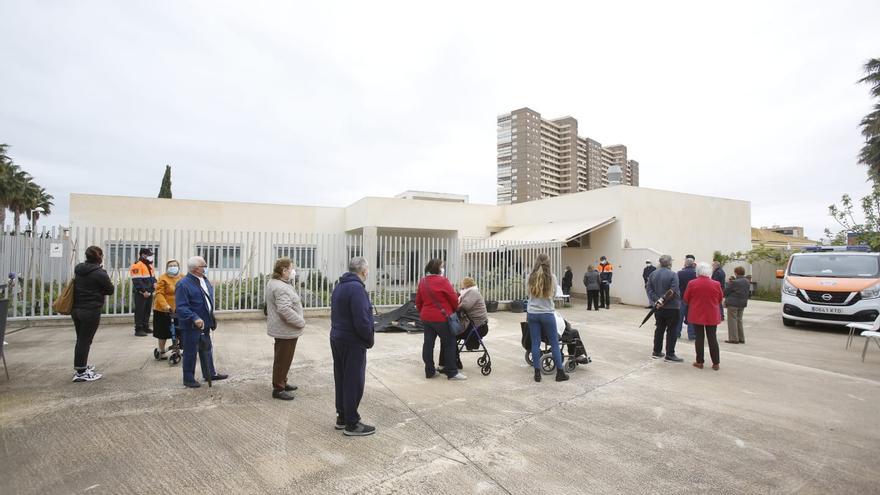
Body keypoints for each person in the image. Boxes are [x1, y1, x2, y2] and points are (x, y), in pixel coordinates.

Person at [330, 257, 376, 436]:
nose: (368, 272)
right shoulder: (357, 289)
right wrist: (369, 338)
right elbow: (362, 320)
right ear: (363, 271)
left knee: (341, 378)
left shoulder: (340, 286)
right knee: (353, 381)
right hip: (352, 340)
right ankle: (352, 422)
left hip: (337, 337)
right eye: (367, 269)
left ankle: (342, 416)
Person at [175, 256, 228, 388]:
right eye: (204, 265)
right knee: (190, 351)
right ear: (196, 268)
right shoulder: (183, 284)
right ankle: (188, 378)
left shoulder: (204, 280)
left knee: (207, 348)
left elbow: (206, 300)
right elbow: (181, 307)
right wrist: (194, 317)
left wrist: (211, 317)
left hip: (205, 322)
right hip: (192, 325)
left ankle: (210, 373)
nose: (206, 267)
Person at [416, 259, 466, 380]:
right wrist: (454, 310)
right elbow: (453, 298)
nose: (443, 268)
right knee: (449, 344)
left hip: (427, 318)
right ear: (438, 269)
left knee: (428, 344)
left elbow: (418, 301)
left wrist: (424, 312)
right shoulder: (443, 281)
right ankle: (452, 372)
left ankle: (430, 371)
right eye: (442, 266)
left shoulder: (423, 282)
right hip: (442, 317)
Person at [71, 246, 114, 382]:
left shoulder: (79, 269)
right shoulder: (99, 273)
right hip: (91, 310)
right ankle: (81, 372)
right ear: (100, 256)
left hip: (77, 309)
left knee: (81, 339)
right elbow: (110, 290)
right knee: (85, 341)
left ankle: (81, 366)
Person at [265, 257, 306, 401]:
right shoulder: (280, 287)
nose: (293, 271)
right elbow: (284, 309)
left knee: (285, 358)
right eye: (291, 268)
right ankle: (278, 388)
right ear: (284, 271)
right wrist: (300, 322)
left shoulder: (278, 283)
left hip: (285, 329)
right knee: (282, 359)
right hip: (285, 330)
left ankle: (283, 381)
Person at [527, 254, 569, 383]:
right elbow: (555, 294)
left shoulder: (530, 277)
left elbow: (528, 293)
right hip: (547, 313)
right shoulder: (552, 278)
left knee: (535, 343)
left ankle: (537, 374)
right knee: (554, 343)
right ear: (548, 263)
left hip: (532, 313)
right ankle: (560, 373)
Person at [684, 262, 723, 370]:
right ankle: (716, 363)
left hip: (697, 313)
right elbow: (720, 299)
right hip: (712, 314)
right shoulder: (716, 284)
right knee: (712, 338)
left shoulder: (692, 283)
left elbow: (686, 298)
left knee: (699, 338)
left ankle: (699, 361)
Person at [646, 254, 683, 362]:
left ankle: (656, 351)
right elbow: (674, 291)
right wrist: (663, 301)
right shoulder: (673, 274)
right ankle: (670, 354)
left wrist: (657, 300)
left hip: (658, 307)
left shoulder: (653, 274)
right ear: (670, 263)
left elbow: (649, 289)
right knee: (672, 330)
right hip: (671, 307)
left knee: (659, 328)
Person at [152, 259, 183, 361]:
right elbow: (159, 293)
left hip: (178, 309)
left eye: (175, 265)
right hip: (163, 309)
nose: (173, 267)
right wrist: (165, 306)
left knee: (177, 331)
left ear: (178, 267)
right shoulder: (162, 278)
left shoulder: (182, 277)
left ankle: (176, 349)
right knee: (163, 332)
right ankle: (161, 350)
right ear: (167, 268)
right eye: (170, 266)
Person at [454, 277, 489, 355]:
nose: (460, 284)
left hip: (477, 327)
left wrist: (455, 306)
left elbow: (465, 305)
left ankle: (454, 360)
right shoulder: (469, 292)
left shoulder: (472, 292)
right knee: (452, 334)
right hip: (476, 325)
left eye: (462, 283)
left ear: (466, 284)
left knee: (451, 336)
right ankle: (454, 360)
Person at [130, 248, 157, 337]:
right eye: (149, 255)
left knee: (147, 310)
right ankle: (138, 329)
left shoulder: (149, 265)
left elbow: (153, 277)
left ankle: (145, 326)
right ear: (143, 255)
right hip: (141, 293)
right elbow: (136, 280)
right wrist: (143, 291)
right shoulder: (137, 265)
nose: (151, 257)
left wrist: (155, 283)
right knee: (140, 311)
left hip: (149, 292)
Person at [724, 266, 750, 344]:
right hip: (742, 303)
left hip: (733, 303)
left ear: (736, 273)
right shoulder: (747, 281)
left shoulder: (734, 282)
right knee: (739, 320)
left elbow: (726, 291)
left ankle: (734, 338)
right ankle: (741, 338)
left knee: (732, 321)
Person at [676, 255, 697, 341]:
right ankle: (691, 335)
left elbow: (676, 285)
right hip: (692, 298)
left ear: (685, 263)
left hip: (682, 297)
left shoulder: (680, 273)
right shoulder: (696, 273)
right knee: (691, 317)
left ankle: (677, 333)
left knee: (679, 317)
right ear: (693, 264)